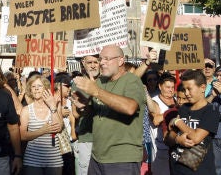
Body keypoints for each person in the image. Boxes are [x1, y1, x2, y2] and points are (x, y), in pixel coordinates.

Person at [73, 45, 146, 175]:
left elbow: (130, 108)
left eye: (106, 59)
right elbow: (97, 113)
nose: (101, 63)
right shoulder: (101, 82)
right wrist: (84, 106)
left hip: (122, 158)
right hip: (97, 156)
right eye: (101, 59)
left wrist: (96, 91)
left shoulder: (132, 80)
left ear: (120, 61)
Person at [165, 69, 219, 175]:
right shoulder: (183, 108)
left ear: (203, 88)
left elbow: (195, 138)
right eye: (184, 90)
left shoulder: (211, 110)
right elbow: (168, 139)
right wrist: (177, 140)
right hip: (177, 168)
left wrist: (178, 122)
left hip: (200, 170)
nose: (186, 93)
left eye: (189, 89)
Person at [19, 75, 63, 175]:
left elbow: (59, 127)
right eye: (33, 87)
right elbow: (22, 135)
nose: (36, 89)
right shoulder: (26, 110)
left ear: (46, 89)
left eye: (39, 86)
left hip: (54, 159)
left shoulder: (54, 106)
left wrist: (52, 106)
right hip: (32, 160)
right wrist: (42, 130)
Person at [71, 54, 100, 175]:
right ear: (83, 63)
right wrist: (81, 109)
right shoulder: (78, 83)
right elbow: (75, 114)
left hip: (105, 138)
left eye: (96, 62)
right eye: (90, 63)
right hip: (86, 137)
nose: (93, 66)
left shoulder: (107, 81)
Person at [149, 72, 177, 175]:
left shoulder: (177, 100)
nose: (171, 90)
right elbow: (155, 120)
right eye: (168, 87)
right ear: (160, 87)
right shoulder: (154, 101)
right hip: (160, 150)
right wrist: (173, 112)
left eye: (172, 87)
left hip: (176, 148)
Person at [208, 66, 221, 175]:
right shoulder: (214, 92)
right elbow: (202, 107)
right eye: (217, 75)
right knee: (217, 169)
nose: (218, 78)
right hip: (216, 136)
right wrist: (212, 96)